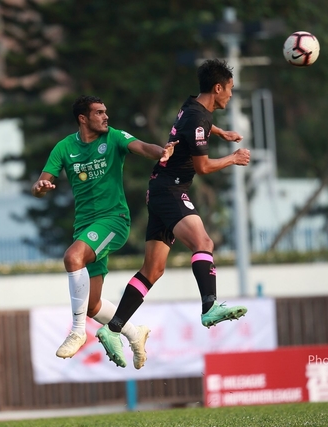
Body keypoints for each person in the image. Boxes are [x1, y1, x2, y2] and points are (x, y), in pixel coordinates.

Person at [96, 59, 251, 368]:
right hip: (170, 190)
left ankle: (112, 329)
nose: (231, 95)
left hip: (159, 190)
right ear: (217, 88)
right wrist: (232, 159)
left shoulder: (193, 106)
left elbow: (198, 126)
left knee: (152, 270)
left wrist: (220, 132)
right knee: (203, 242)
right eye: (230, 89)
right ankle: (209, 306)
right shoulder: (197, 117)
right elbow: (202, 167)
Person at [31, 95, 177, 370]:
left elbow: (142, 146)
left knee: (72, 257)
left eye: (105, 111)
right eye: (98, 112)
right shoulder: (64, 147)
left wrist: (161, 152)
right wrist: (40, 187)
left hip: (113, 220)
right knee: (92, 304)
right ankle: (134, 333)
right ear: (83, 118)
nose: (105, 116)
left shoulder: (114, 137)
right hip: (85, 226)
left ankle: (77, 332)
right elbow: (41, 183)